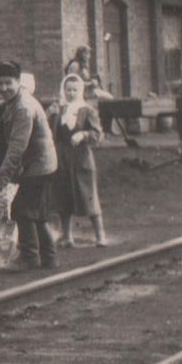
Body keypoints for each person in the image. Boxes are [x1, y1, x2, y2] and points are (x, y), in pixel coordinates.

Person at [0, 61, 59, 271]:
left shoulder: (23, 107)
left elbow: (17, 146)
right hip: (35, 164)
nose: (3, 88)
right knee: (35, 211)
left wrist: (3, 175)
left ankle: (30, 257)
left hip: (39, 165)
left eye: (8, 83)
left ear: (18, 82)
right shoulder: (13, 102)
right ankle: (49, 258)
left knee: (23, 209)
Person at [48, 73, 106, 248]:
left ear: (81, 90)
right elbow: (50, 133)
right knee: (63, 196)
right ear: (63, 91)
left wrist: (84, 134)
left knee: (88, 195)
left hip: (81, 157)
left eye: (75, 89)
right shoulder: (60, 110)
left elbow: (98, 135)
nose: (71, 93)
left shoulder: (88, 110)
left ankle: (100, 235)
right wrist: (50, 115)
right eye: (68, 89)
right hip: (62, 157)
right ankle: (67, 236)